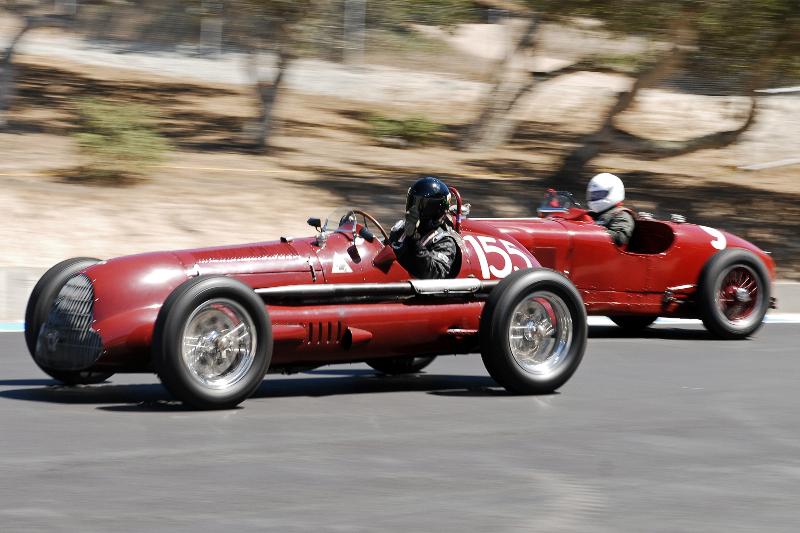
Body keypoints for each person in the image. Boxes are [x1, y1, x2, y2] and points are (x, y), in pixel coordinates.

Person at [389, 176, 461, 279]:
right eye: (413, 202)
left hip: (418, 292)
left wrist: (414, 240)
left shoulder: (445, 241)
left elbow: (434, 273)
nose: (414, 210)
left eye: (421, 206)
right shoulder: (400, 229)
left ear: (436, 210)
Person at [586, 172, 635, 246]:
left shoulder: (622, 215)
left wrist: (592, 228)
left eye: (599, 194)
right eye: (593, 194)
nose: (595, 197)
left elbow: (619, 238)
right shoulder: (592, 213)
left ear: (614, 193)